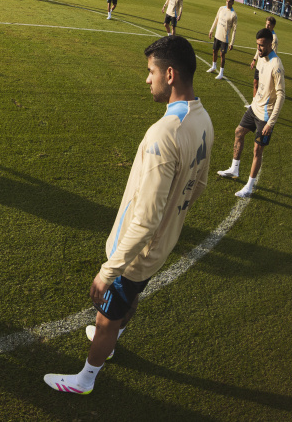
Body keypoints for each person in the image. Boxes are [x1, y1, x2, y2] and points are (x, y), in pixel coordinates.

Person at [44, 35, 214, 395]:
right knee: (131, 297)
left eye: (150, 72)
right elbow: (198, 186)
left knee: (106, 315)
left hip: (136, 251)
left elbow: (147, 217)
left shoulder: (163, 135)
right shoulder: (204, 119)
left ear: (170, 74)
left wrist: (109, 270)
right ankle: (115, 332)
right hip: (160, 247)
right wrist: (173, 221)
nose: (146, 79)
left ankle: (86, 377)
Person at [217, 28, 284, 198]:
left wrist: (271, 123)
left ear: (270, 44)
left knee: (257, 151)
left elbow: (281, 95)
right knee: (238, 132)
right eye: (257, 45)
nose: (258, 48)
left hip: (265, 116)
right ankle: (234, 168)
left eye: (261, 45)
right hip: (254, 109)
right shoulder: (261, 59)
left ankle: (249, 186)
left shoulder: (276, 65)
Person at [206, 0, 238, 80]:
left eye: (229, 1)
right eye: (227, 1)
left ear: (233, 3)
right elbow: (216, 19)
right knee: (214, 51)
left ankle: (221, 73)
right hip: (217, 35)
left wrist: (232, 42)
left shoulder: (233, 15)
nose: (227, 2)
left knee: (222, 55)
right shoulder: (221, 8)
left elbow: (234, 30)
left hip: (225, 38)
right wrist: (211, 30)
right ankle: (213, 66)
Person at [249, 17, 278, 97]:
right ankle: (254, 103)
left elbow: (273, 54)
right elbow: (258, 48)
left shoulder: (274, 39)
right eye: (266, 24)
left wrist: (269, 66)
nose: (267, 26)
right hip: (259, 64)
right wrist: (254, 59)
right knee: (255, 83)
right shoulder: (264, 33)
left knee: (263, 87)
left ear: (273, 26)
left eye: (269, 25)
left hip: (266, 66)